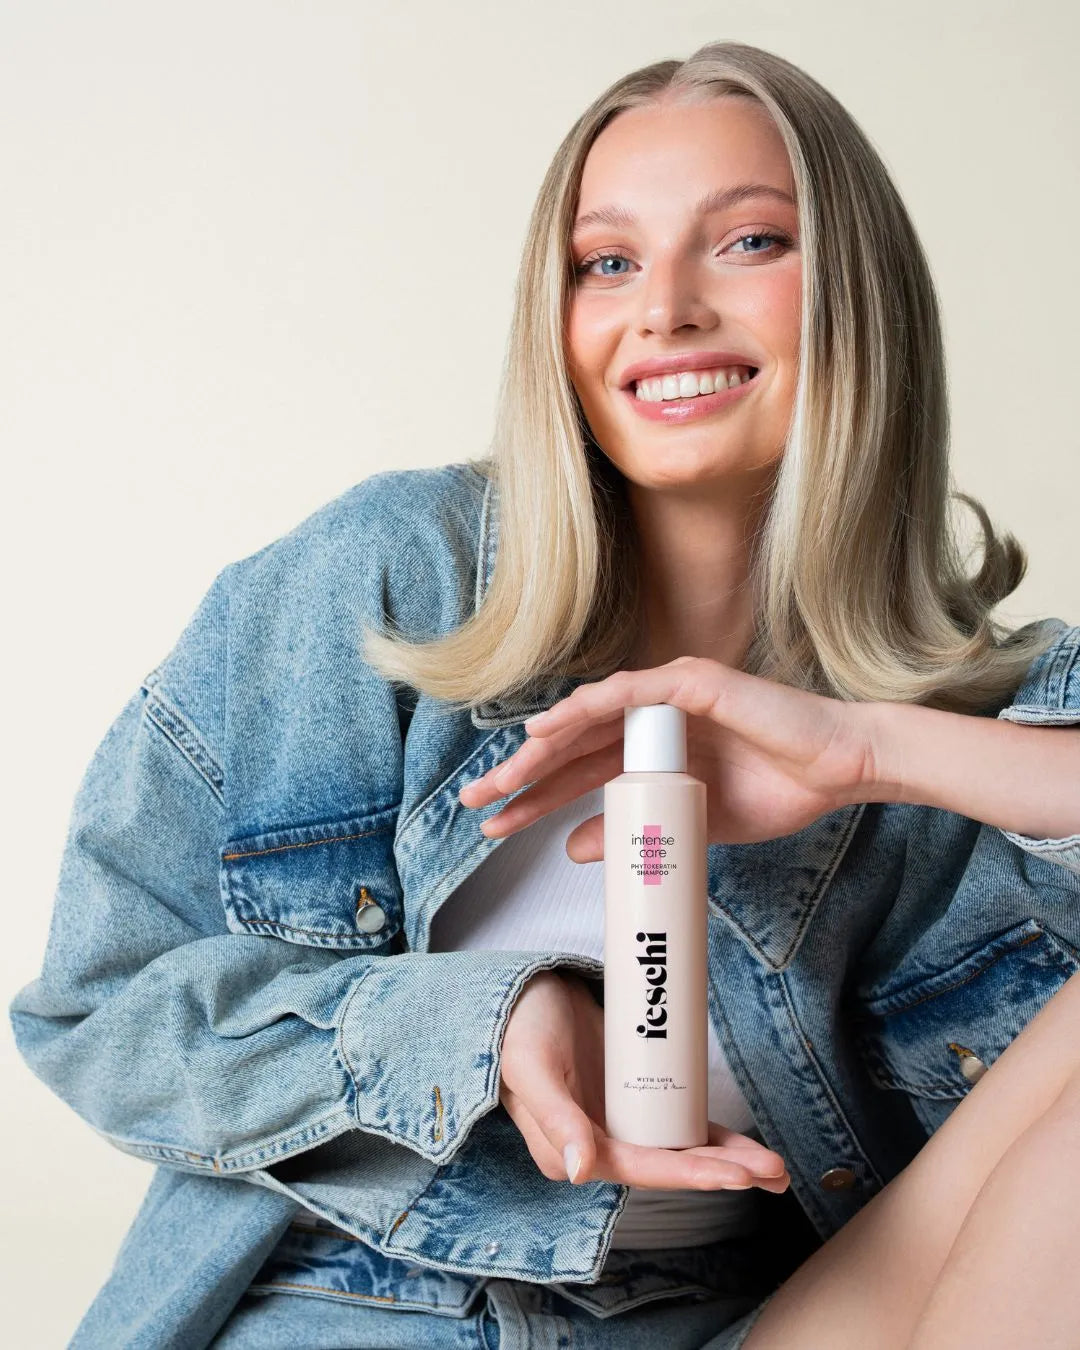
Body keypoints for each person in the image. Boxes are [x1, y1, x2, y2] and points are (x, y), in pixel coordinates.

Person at [9, 37, 1080, 1350]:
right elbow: (96, 1004)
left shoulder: (953, 731)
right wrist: (484, 1019)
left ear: (856, 294)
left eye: (747, 243)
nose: (669, 307)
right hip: (366, 1305)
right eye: (607, 261)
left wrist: (865, 749)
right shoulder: (382, 582)